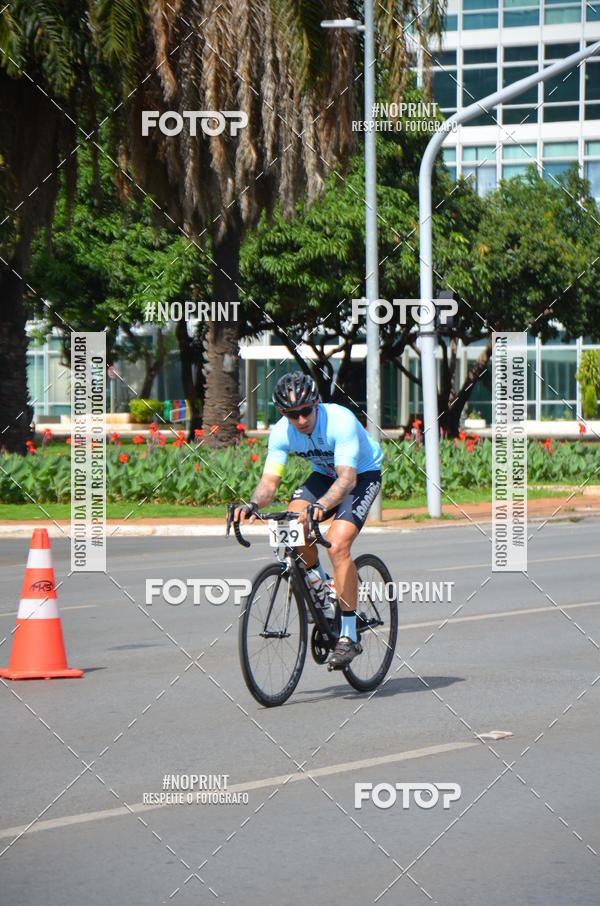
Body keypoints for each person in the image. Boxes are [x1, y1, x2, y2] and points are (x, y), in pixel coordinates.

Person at [234, 371, 383, 669]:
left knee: (337, 545)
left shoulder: (340, 421)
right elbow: (269, 483)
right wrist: (252, 504)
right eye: (292, 414)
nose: (301, 420)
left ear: (316, 404)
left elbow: (347, 480)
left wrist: (322, 505)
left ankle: (348, 636)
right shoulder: (281, 432)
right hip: (324, 476)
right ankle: (323, 589)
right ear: (283, 414)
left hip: (360, 475)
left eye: (305, 411)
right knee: (294, 524)